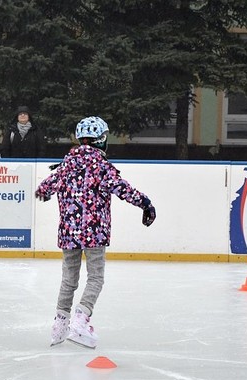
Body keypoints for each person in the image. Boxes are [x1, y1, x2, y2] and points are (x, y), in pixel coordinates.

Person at [35, 116, 157, 349]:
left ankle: (60, 325)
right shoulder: (101, 167)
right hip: (94, 232)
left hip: (69, 232)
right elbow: (124, 190)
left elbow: (43, 190)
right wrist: (146, 204)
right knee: (96, 277)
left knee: (69, 279)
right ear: (101, 140)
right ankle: (80, 320)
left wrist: (59, 186)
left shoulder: (66, 165)